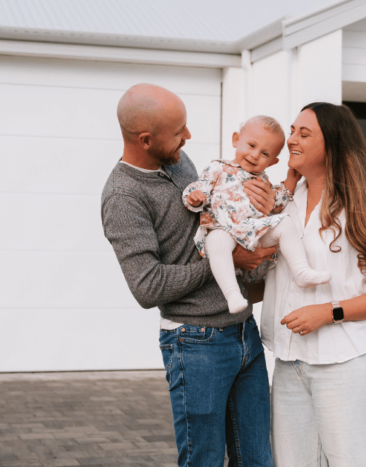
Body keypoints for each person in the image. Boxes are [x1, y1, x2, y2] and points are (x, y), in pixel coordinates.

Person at [100, 83, 275, 467]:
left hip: (244, 332)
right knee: (204, 460)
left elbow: (221, 216)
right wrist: (226, 261)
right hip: (196, 343)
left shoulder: (180, 163)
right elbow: (147, 287)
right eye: (179, 131)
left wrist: (264, 203)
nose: (189, 136)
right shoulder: (123, 196)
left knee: (258, 460)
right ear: (146, 139)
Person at [260, 102, 366, 467]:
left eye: (304, 134)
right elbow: (267, 279)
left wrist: (329, 312)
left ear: (333, 143)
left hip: (351, 360)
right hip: (290, 361)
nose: (291, 140)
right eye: (292, 131)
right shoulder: (285, 203)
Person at [183, 115, 331, 314]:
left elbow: (276, 204)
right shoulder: (218, 168)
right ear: (236, 140)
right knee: (215, 240)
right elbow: (199, 187)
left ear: (272, 162)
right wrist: (194, 197)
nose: (254, 155)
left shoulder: (262, 181)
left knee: (285, 222)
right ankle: (232, 294)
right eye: (251, 145)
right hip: (223, 229)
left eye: (264, 154)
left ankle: (301, 271)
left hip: (253, 232)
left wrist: (290, 183)